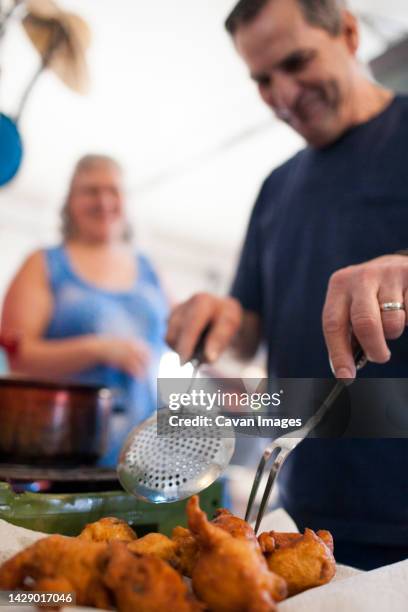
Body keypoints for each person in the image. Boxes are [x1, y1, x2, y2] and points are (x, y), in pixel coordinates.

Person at [167, 0, 408, 569]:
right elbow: (249, 329)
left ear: (349, 33)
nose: (283, 94)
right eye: (262, 79)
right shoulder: (277, 188)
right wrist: (217, 316)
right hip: (302, 519)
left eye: (297, 63)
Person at [1, 154, 168, 466]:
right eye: (91, 191)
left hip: (145, 455)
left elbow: (180, 342)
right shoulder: (44, 263)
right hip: (62, 452)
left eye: (113, 191)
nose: (103, 201)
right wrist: (98, 349)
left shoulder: (149, 269)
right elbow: (18, 357)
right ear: (70, 202)